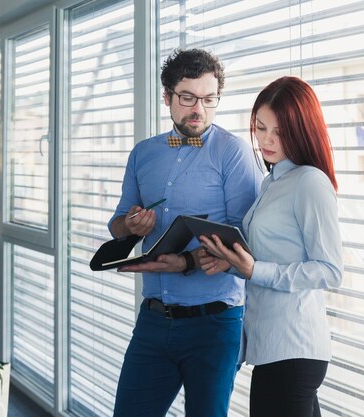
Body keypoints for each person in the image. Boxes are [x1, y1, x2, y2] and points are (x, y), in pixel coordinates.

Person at [107, 48, 262, 417]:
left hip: (215, 325)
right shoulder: (142, 154)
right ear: (167, 97)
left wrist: (187, 261)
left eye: (210, 100)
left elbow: (246, 240)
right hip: (153, 320)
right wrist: (130, 225)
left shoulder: (233, 153)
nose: (199, 110)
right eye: (188, 98)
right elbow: (116, 226)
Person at [199, 76, 343, 417]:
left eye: (278, 132)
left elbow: (330, 270)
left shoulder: (309, 182)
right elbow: (269, 255)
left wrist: (253, 269)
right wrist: (231, 262)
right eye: (261, 128)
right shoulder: (272, 181)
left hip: (293, 350)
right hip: (275, 350)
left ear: (301, 131)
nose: (266, 140)